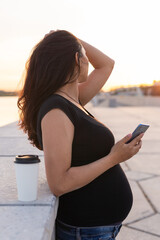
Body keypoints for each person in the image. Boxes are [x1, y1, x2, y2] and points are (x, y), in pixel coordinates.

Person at [17, 30, 143, 240]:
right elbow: (59, 183)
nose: (88, 60)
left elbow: (107, 64)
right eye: (84, 55)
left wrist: (70, 38)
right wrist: (114, 157)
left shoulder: (72, 99)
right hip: (87, 232)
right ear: (78, 59)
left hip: (97, 229)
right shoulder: (56, 109)